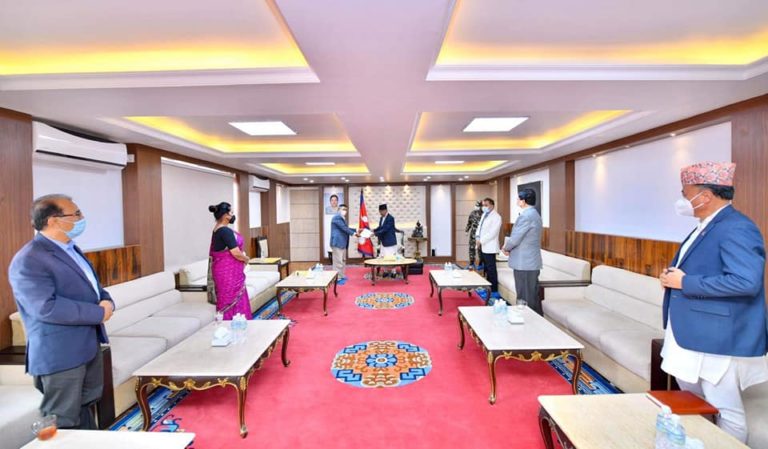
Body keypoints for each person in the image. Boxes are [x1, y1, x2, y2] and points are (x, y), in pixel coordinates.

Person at [659, 161, 768, 443]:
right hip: (693, 332)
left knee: (725, 408)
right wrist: (672, 277)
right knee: (698, 402)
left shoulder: (737, 227)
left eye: (686, 194)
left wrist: (685, 283)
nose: (682, 200)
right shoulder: (706, 225)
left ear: (705, 196)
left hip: (714, 336)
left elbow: (746, 282)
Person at [8, 194, 114, 429]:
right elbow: (45, 307)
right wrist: (98, 313)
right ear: (53, 220)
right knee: (62, 419)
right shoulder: (29, 259)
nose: (81, 218)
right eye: (76, 214)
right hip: (60, 353)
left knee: (84, 408)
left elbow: (93, 288)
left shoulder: (71, 249)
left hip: (87, 345)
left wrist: (107, 301)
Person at [208, 202, 252, 320]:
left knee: (226, 298)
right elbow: (236, 253)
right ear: (225, 215)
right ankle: (233, 323)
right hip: (227, 273)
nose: (233, 215)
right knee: (229, 298)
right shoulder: (225, 231)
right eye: (231, 212)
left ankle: (230, 323)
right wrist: (246, 259)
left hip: (223, 271)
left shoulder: (217, 229)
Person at [502, 188, 543, 314]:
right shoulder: (534, 214)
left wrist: (506, 248)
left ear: (523, 201)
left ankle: (527, 321)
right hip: (529, 262)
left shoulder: (526, 216)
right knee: (531, 296)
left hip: (525, 263)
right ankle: (534, 321)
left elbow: (516, 238)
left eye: (518, 198)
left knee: (525, 297)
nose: (516, 200)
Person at [476, 197, 502, 300]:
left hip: (490, 246)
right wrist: (477, 237)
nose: (484, 207)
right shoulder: (484, 215)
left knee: (491, 270)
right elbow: (479, 227)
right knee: (486, 268)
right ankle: (487, 289)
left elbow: (492, 233)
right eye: (483, 205)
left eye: (486, 205)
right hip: (483, 246)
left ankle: (494, 291)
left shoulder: (496, 217)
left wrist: (481, 241)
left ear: (492, 205)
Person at [330, 204, 359, 281]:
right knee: (338, 262)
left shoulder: (342, 218)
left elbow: (346, 228)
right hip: (337, 242)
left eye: (346, 209)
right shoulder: (337, 217)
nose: (345, 211)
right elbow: (344, 228)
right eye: (343, 209)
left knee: (342, 261)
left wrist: (356, 230)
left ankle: (341, 275)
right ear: (338, 209)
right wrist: (354, 234)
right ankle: (337, 278)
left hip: (342, 243)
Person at [374, 204, 398, 277]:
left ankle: (393, 272)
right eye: (379, 211)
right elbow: (380, 227)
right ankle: (385, 271)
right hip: (383, 241)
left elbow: (385, 229)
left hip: (390, 241)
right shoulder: (381, 218)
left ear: (385, 210)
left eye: (381, 211)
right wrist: (373, 231)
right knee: (384, 256)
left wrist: (375, 233)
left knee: (391, 257)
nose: (380, 213)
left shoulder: (390, 218)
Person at [465, 201, 483, 269]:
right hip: (473, 234)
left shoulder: (483, 214)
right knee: (471, 249)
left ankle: (481, 263)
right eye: (476, 205)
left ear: (481, 207)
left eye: (477, 206)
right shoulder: (472, 213)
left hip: (481, 235)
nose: (476, 207)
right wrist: (467, 230)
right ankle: (471, 263)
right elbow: (469, 223)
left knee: (480, 250)